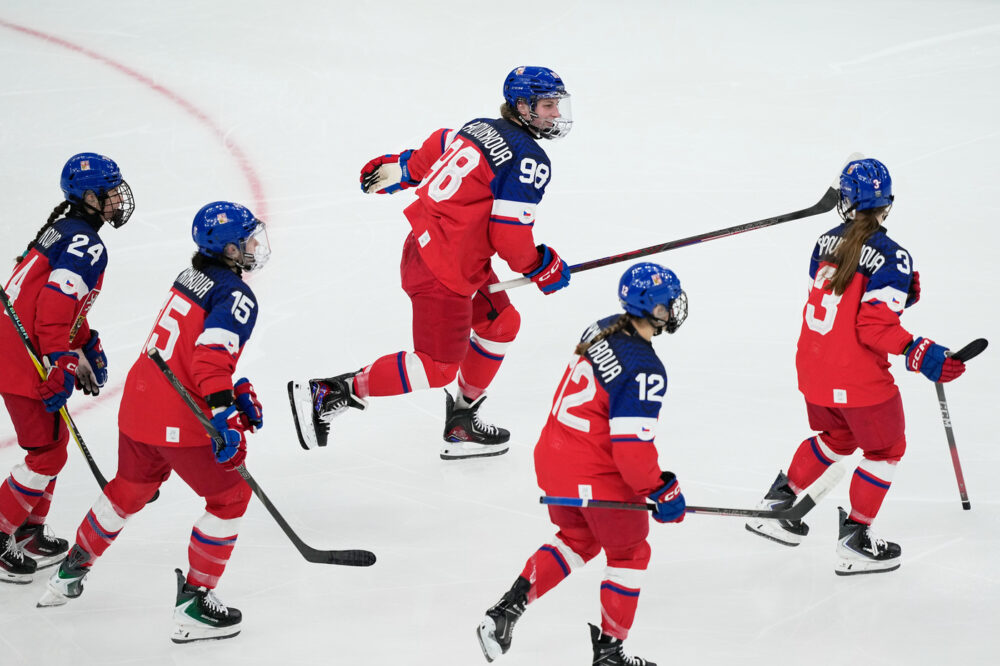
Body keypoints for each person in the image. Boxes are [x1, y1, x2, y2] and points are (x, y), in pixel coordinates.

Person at [288, 66, 574, 460]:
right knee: (438, 366)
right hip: (445, 272)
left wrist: (405, 167)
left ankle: (462, 422)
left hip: (438, 251)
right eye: (547, 105)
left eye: (557, 104)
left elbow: (443, 143)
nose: (555, 114)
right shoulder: (529, 159)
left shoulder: (479, 126)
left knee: (500, 323)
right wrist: (540, 265)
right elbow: (508, 237)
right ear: (522, 107)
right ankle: (331, 392)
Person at [36, 202, 270, 644]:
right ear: (230, 249)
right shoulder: (236, 295)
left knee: (129, 488)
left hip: (138, 405)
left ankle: (70, 571)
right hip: (178, 418)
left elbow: (189, 353)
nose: (256, 246)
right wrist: (225, 414)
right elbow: (208, 359)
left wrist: (230, 392)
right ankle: (195, 605)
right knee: (230, 497)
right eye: (249, 240)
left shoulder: (191, 277)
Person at [745, 158, 967, 575]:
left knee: (836, 435)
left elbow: (843, 300)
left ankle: (777, 502)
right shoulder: (891, 256)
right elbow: (873, 326)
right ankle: (856, 538)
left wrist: (902, 296)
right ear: (888, 203)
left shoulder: (824, 241)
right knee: (885, 449)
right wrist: (923, 353)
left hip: (812, 368)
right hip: (857, 376)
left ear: (844, 203)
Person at [476, 262, 689, 666]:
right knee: (629, 554)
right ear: (655, 310)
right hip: (594, 474)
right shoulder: (644, 368)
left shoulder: (602, 326)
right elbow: (630, 451)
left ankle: (504, 613)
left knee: (578, 538)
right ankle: (609, 654)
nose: (673, 308)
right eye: (668, 303)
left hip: (554, 461)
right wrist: (661, 490)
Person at [0, 153, 134, 584]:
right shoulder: (87, 243)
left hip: (19, 344)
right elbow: (52, 308)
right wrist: (61, 360)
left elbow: (52, 302)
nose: (118, 198)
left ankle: (29, 531)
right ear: (91, 198)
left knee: (51, 444)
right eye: (110, 192)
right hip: (23, 353)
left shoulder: (66, 230)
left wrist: (85, 341)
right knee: (47, 453)